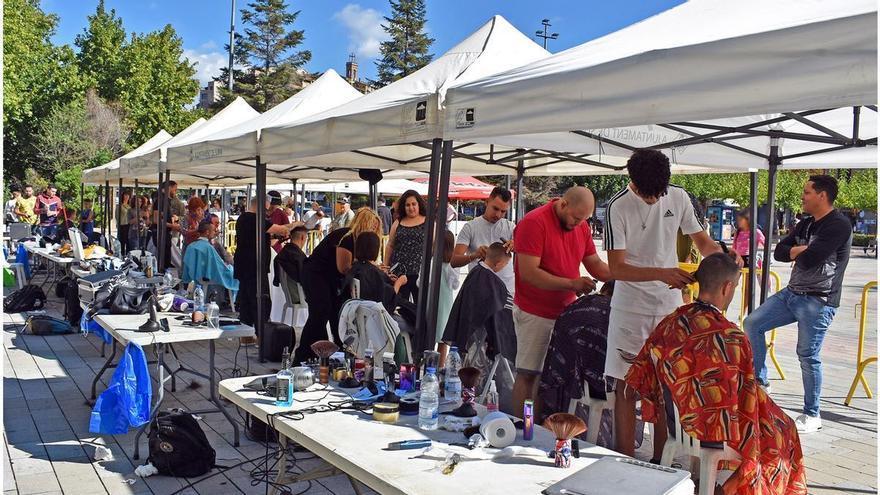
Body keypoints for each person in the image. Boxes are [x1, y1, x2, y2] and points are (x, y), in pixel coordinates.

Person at [625, 254, 806, 494]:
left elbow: (643, 372)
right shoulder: (732, 337)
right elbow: (746, 396)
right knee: (784, 429)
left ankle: (721, 484)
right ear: (727, 287)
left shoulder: (670, 322)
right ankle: (731, 487)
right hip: (716, 427)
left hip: (677, 423)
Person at [604, 149, 728, 459]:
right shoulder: (617, 206)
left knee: (664, 387)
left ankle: (661, 460)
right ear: (632, 181)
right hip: (630, 307)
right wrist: (662, 273)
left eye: (659, 193)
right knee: (627, 386)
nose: (654, 200)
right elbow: (616, 269)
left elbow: (701, 240)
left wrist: (723, 258)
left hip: (668, 307)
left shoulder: (678, 197)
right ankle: (624, 458)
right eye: (648, 194)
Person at [744, 175, 852, 433]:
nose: (802, 197)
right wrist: (797, 250)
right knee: (752, 323)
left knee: (807, 356)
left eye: (806, 192)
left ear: (822, 196)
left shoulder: (838, 225)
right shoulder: (806, 224)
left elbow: (809, 260)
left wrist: (798, 251)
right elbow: (779, 252)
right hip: (791, 294)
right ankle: (761, 382)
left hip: (818, 300)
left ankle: (812, 414)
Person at [511, 186, 611, 422]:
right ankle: (524, 430)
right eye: (576, 218)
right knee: (529, 375)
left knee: (555, 378)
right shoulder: (533, 222)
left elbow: (595, 263)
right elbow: (528, 273)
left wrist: (624, 277)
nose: (579, 224)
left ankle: (544, 432)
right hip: (535, 312)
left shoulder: (582, 226)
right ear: (563, 204)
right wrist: (571, 284)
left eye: (584, 219)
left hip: (566, 316)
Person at [296, 207, 382, 364]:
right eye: (372, 226)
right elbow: (344, 267)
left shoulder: (356, 240)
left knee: (336, 311)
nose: (374, 230)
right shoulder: (346, 237)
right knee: (320, 312)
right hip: (316, 274)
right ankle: (305, 355)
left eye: (376, 228)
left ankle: (329, 354)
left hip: (330, 277)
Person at [539, 281, 615, 427]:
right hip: (603, 385)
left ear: (604, 289)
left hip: (566, 374)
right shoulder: (617, 313)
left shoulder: (579, 305)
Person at [233, 196, 303, 326]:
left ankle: (246, 335)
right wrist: (296, 224)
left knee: (246, 302)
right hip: (255, 267)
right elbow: (282, 229)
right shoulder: (255, 219)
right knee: (261, 302)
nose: (267, 213)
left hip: (245, 265)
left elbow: (265, 237)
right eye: (266, 209)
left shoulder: (243, 218)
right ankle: (262, 336)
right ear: (259, 206)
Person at [442, 242, 512, 355]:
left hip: (467, 323)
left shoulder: (477, 272)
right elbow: (499, 305)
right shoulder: (489, 280)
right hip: (485, 327)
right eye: (506, 264)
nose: (505, 266)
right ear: (498, 264)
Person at [451, 186, 515, 294]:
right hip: (480, 291)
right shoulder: (470, 227)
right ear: (487, 202)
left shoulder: (511, 227)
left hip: (507, 290)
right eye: (495, 208)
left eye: (503, 211)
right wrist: (474, 255)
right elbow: (454, 261)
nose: (498, 215)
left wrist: (516, 245)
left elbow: (528, 251)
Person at [342, 231, 408, 313]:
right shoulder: (374, 272)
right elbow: (387, 303)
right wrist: (399, 282)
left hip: (360, 315)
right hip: (377, 316)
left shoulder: (355, 268)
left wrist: (384, 276)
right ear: (376, 249)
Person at [384, 190, 427, 301]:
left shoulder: (429, 222)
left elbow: (433, 246)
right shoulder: (398, 222)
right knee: (400, 307)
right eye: (407, 205)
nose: (411, 207)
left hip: (420, 273)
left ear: (419, 204)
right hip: (398, 273)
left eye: (414, 204)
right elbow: (390, 245)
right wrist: (385, 265)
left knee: (419, 307)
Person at [182, 220, 239, 294]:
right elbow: (219, 266)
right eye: (213, 231)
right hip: (208, 276)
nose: (215, 233)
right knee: (235, 273)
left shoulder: (191, 246)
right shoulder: (208, 247)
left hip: (196, 278)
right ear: (207, 232)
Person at [118, 190, 132, 255]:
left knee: (128, 241)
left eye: (128, 195)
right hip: (122, 225)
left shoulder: (130, 206)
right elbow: (117, 216)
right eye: (125, 195)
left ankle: (128, 254)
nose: (126, 196)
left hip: (129, 225)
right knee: (122, 241)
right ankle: (122, 254)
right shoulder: (120, 206)